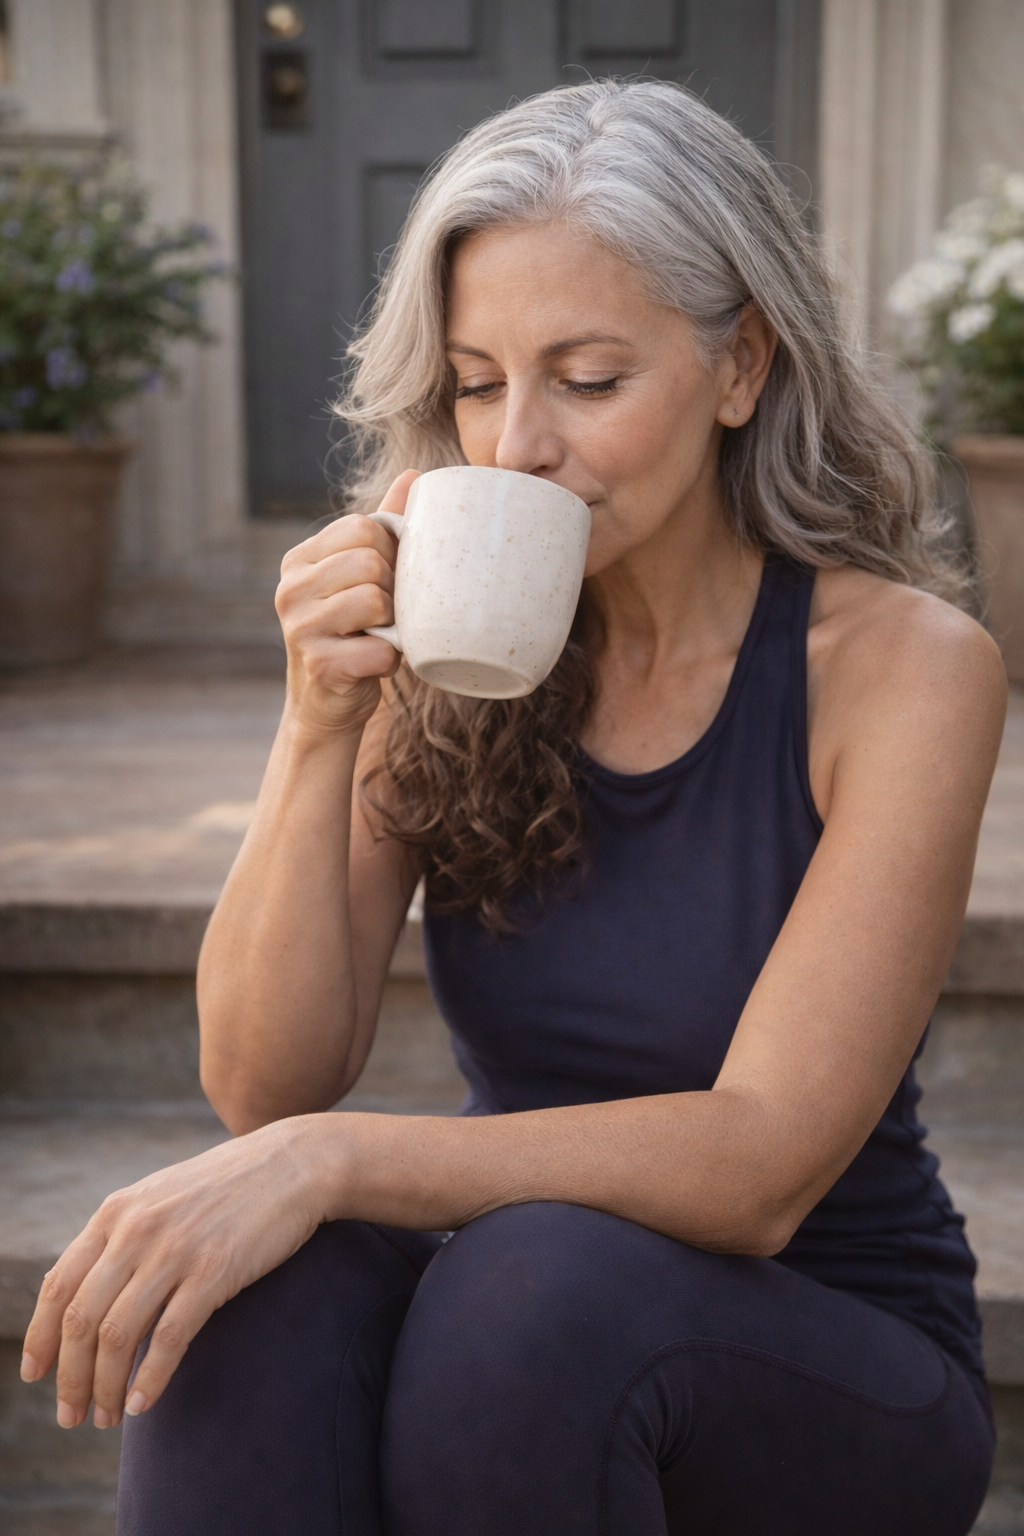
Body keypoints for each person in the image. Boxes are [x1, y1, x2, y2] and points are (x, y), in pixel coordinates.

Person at [21, 80, 1005, 1535]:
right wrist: (318, 723)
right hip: (522, 1332)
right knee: (260, 1292)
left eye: (588, 381)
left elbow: (760, 1167)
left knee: (522, 1281)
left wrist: (334, 1159)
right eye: (479, 382)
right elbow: (264, 1079)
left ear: (742, 367)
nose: (517, 445)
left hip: (828, 1350)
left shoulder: (903, 669)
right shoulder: (456, 629)